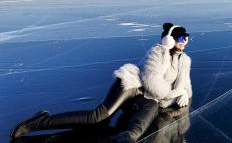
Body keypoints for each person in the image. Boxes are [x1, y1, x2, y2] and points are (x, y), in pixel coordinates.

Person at [10, 23, 193, 142]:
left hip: (150, 98)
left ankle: (123, 139)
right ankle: (36, 122)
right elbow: (155, 85)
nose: (184, 42)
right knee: (99, 117)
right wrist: (176, 93)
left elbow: (184, 87)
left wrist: (183, 92)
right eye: (180, 38)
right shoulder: (157, 52)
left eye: (186, 38)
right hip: (133, 86)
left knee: (135, 131)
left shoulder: (185, 60)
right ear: (168, 39)